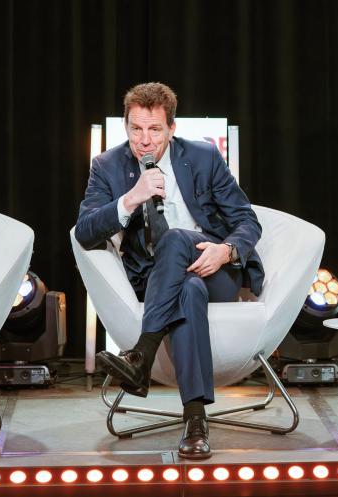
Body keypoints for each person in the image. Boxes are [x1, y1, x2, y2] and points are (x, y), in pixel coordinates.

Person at [75, 82, 263, 460]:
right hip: (155, 277)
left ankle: (140, 356)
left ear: (172, 129)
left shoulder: (205, 157)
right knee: (187, 290)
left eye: (155, 130)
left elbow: (247, 220)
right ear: (126, 127)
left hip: (215, 270)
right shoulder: (107, 166)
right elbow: (85, 231)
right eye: (136, 130)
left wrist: (226, 251)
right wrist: (131, 198)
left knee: (180, 243)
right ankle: (195, 420)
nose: (144, 140)